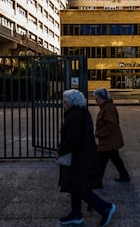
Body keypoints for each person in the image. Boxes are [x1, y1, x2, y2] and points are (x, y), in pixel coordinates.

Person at [56, 89, 116, 226]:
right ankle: (76, 214)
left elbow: (73, 139)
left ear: (71, 101)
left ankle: (105, 208)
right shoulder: (81, 112)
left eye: (65, 100)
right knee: (74, 185)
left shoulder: (74, 115)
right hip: (83, 155)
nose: (63, 103)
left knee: (79, 187)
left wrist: (61, 150)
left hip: (78, 157)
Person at [93, 87, 131, 185]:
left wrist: (100, 133)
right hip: (111, 141)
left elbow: (111, 124)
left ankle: (97, 181)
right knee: (115, 158)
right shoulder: (106, 107)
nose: (95, 101)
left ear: (102, 98)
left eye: (97, 99)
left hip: (108, 141)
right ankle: (124, 176)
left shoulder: (108, 108)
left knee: (100, 161)